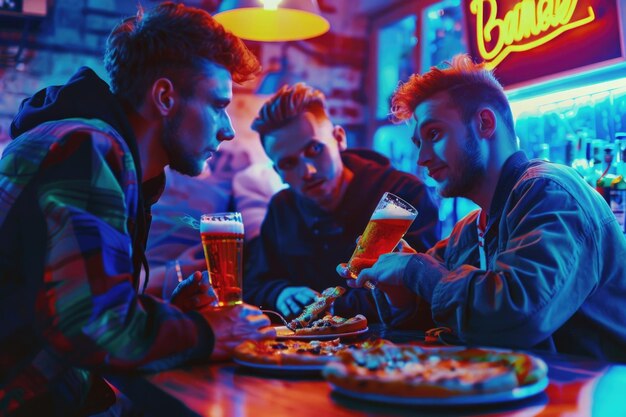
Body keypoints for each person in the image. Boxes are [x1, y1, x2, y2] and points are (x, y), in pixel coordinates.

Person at [0, 3, 275, 415]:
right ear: (164, 96)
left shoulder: (87, 144)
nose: (229, 130)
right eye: (218, 105)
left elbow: (75, 309)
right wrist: (204, 332)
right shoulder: (86, 149)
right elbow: (94, 327)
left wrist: (170, 318)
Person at [339, 54, 626, 362]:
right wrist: (399, 288)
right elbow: (438, 316)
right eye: (418, 143)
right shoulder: (469, 228)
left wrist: (415, 270)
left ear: (485, 123)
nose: (422, 158)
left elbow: (518, 316)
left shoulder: (550, 192)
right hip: (523, 396)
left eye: (433, 134)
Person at [244, 83, 439, 327]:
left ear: (339, 138)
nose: (308, 171)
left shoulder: (403, 196)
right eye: (289, 163)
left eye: (314, 149)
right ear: (278, 172)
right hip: (301, 356)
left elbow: (422, 293)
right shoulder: (281, 208)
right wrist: (280, 293)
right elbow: (254, 284)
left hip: (388, 349)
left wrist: (328, 306)